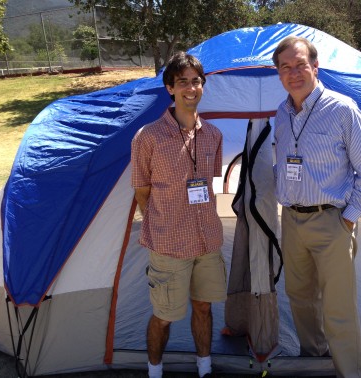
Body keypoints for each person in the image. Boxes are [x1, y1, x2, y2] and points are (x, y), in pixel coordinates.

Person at [272, 36, 361, 378]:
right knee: (299, 297)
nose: (293, 73)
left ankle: (350, 373)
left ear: (315, 67)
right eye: (285, 67)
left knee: (338, 308)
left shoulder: (342, 109)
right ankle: (314, 360)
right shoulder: (282, 113)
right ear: (278, 74)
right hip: (291, 220)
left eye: (300, 64)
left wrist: (346, 220)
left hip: (332, 221)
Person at [131, 51, 226, 378]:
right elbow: (142, 191)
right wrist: (161, 225)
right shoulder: (148, 138)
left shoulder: (214, 135)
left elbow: (213, 184)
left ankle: (205, 367)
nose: (190, 88)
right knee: (165, 315)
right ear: (170, 88)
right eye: (182, 82)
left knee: (204, 307)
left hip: (208, 242)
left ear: (203, 86)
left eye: (196, 81)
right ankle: (154, 372)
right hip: (169, 245)